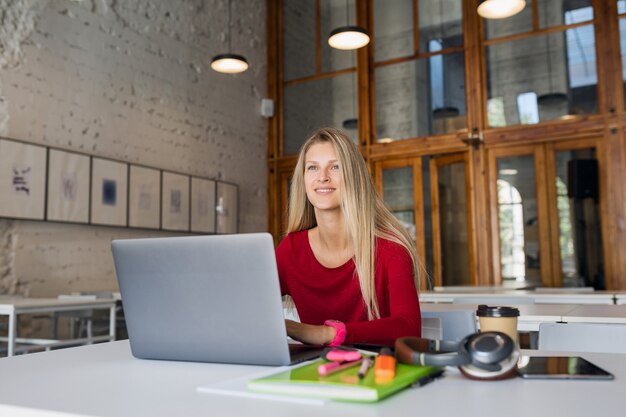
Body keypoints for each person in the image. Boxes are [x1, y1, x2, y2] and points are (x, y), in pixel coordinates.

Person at [276, 127, 423, 347]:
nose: (323, 177)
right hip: (314, 373)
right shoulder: (292, 249)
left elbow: (409, 327)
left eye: (335, 167)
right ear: (303, 179)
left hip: (376, 371)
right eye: (312, 168)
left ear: (354, 176)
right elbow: (249, 305)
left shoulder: (390, 248)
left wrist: (326, 334)